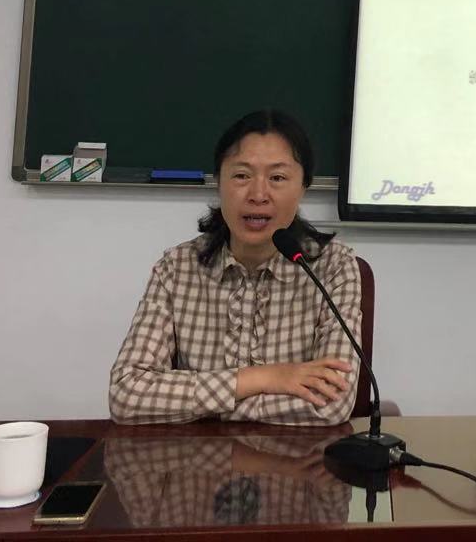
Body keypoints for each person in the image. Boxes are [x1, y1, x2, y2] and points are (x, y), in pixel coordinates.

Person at [109, 109, 361, 425]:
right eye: (242, 175)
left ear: (303, 188)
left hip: (295, 455)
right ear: (219, 182)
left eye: (277, 178)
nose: (258, 195)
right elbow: (126, 394)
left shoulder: (334, 267)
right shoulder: (176, 268)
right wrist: (263, 378)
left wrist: (202, 407)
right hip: (195, 456)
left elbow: (331, 403)